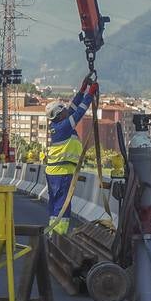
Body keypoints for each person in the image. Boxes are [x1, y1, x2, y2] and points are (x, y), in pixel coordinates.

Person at [43, 79, 100, 234]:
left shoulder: (58, 125)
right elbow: (80, 112)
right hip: (62, 172)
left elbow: (73, 108)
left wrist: (81, 91)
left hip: (54, 172)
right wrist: (90, 94)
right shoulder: (64, 126)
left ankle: (52, 233)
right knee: (63, 205)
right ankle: (58, 235)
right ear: (60, 115)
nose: (67, 111)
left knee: (55, 204)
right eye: (64, 111)